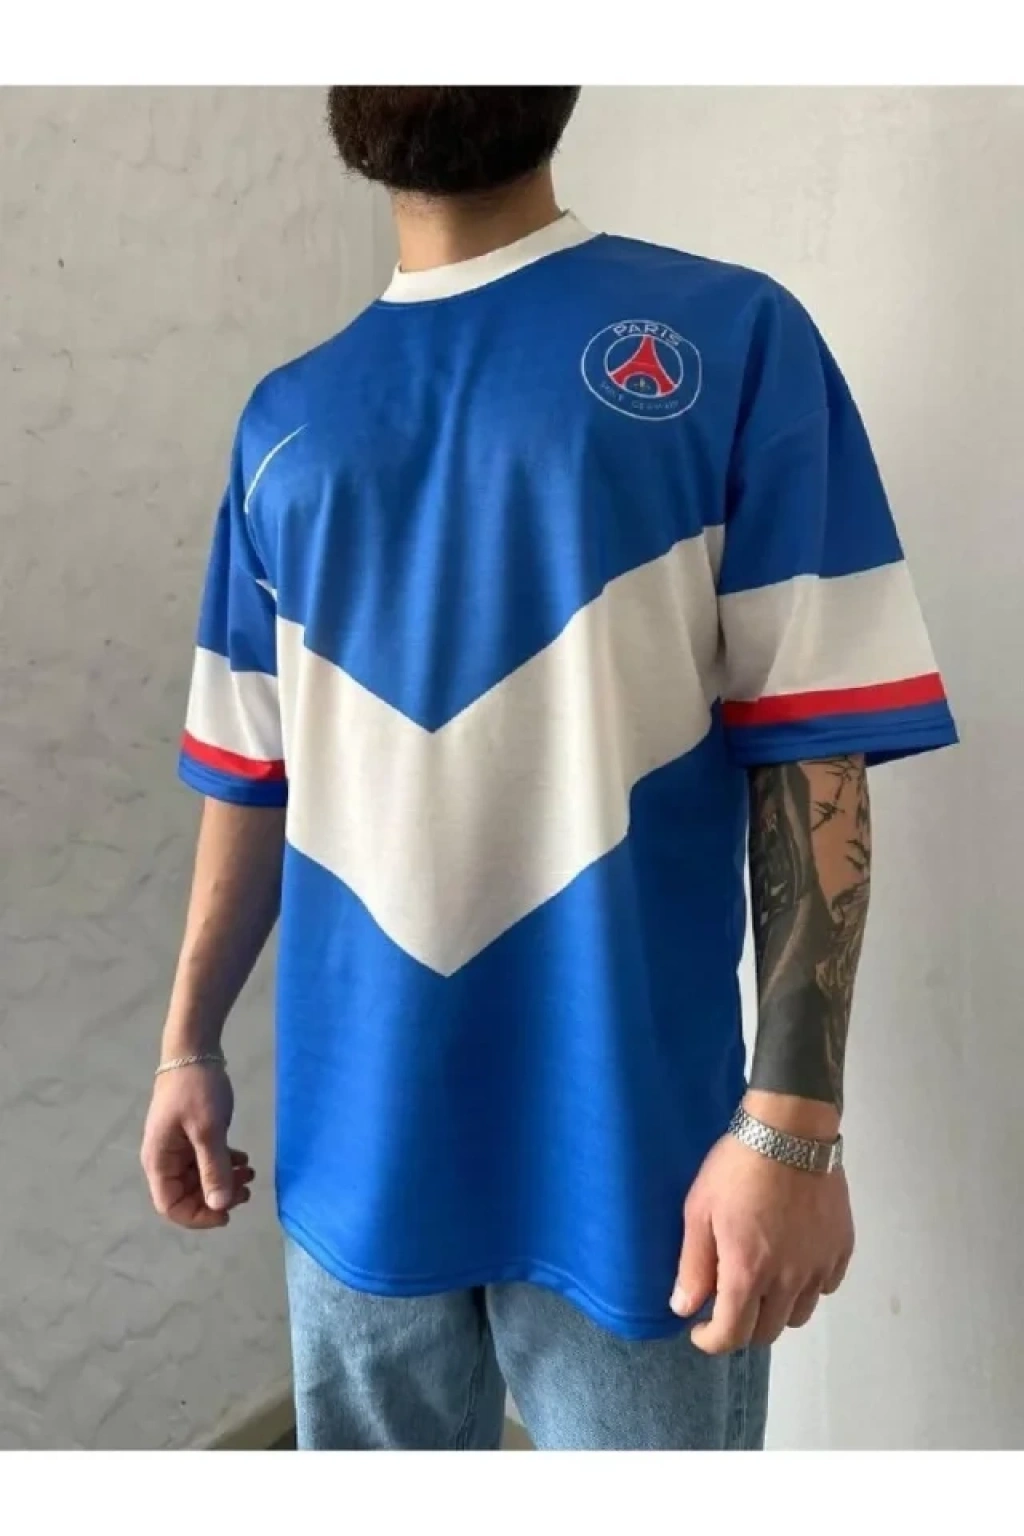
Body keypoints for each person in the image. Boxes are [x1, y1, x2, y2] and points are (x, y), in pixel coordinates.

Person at [141, 87, 957, 1451]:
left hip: (636, 1164)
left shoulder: (733, 341)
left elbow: (812, 747)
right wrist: (188, 1043)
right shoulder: (282, 421)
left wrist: (794, 1125)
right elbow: (254, 769)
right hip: (353, 1162)